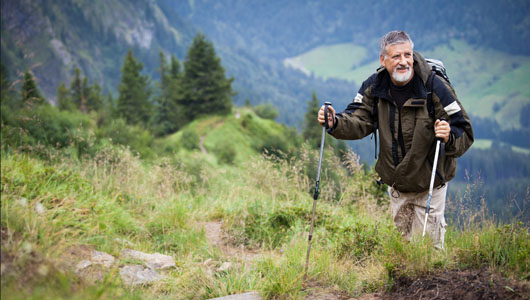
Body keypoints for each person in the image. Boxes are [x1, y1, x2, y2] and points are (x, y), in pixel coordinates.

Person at [318, 31, 473, 249]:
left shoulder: (434, 86)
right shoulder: (375, 86)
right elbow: (359, 119)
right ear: (383, 60)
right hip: (397, 187)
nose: (404, 62)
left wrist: (448, 136)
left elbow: (464, 130)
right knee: (404, 248)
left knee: (427, 252)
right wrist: (334, 122)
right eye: (396, 57)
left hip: (429, 184)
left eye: (407, 55)